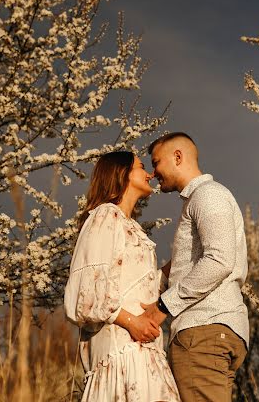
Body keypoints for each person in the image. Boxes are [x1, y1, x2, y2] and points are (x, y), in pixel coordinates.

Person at [64, 151, 181, 402]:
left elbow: (138, 286)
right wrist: (130, 322)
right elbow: (86, 292)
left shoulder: (131, 227)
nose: (149, 173)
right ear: (122, 173)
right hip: (121, 351)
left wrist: (181, 259)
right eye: (141, 167)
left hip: (143, 352)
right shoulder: (106, 215)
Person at [141, 133, 249, 402]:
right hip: (210, 330)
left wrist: (163, 307)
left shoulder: (208, 195)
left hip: (203, 329)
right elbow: (186, 263)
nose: (153, 173)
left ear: (178, 157)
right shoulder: (200, 199)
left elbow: (219, 260)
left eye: (156, 163)